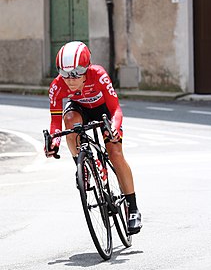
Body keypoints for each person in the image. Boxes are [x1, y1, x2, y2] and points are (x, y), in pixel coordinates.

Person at [45, 41, 142, 235]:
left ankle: (133, 208)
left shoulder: (98, 74)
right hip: (80, 110)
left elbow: (116, 109)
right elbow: (55, 123)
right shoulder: (57, 87)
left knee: (115, 154)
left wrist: (113, 128)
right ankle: (83, 166)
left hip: (104, 110)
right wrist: (53, 143)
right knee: (69, 123)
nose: (70, 80)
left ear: (86, 69)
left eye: (75, 74)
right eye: (64, 74)